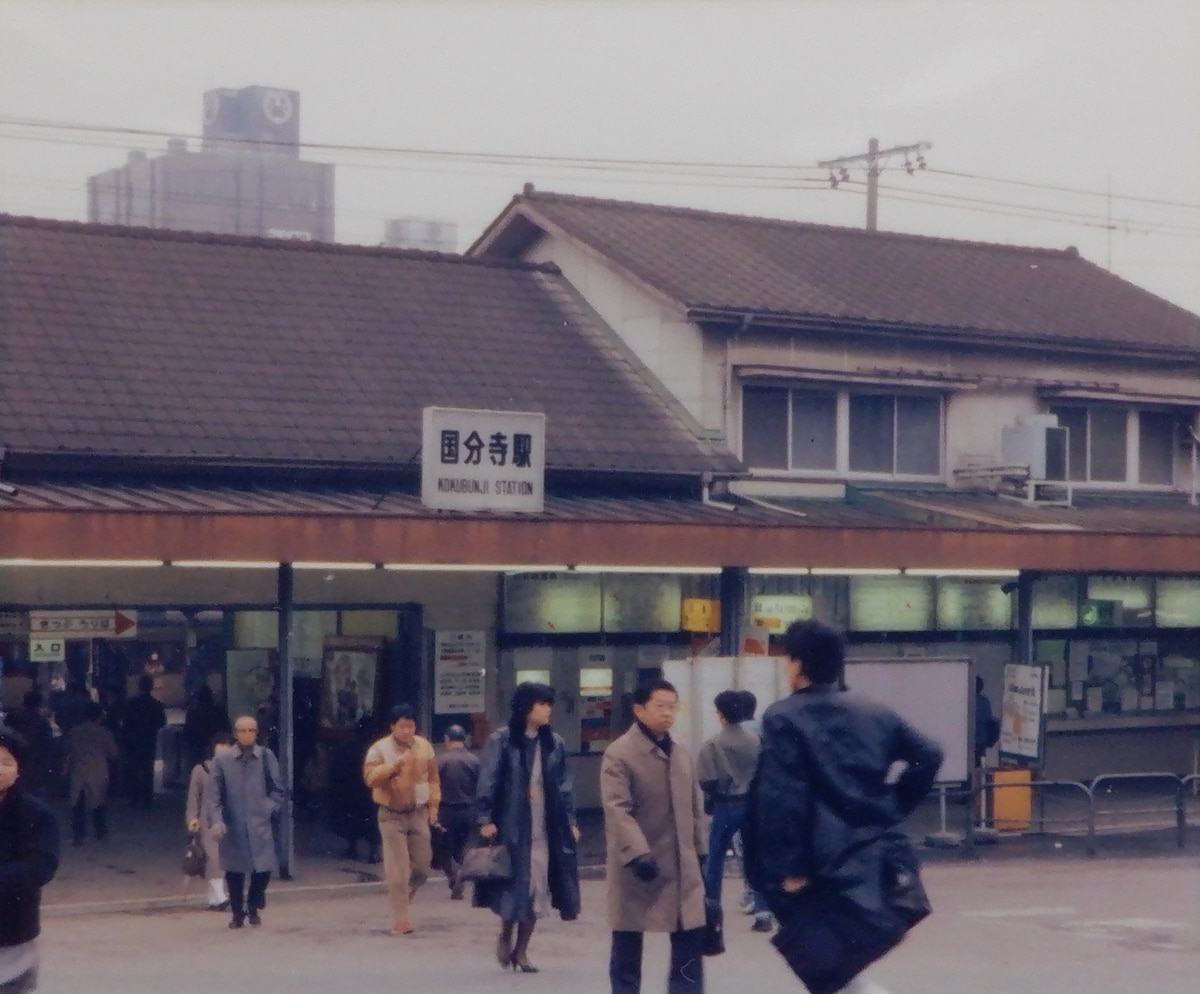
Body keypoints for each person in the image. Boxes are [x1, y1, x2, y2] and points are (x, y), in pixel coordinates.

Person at [745, 620, 943, 994]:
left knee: (825, 965)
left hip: (816, 859)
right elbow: (929, 754)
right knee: (835, 967)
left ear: (797, 665)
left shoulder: (784, 717)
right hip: (869, 854)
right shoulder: (874, 711)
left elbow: (782, 799)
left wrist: (791, 868)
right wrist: (892, 807)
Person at [600, 679, 707, 994]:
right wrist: (637, 854)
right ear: (639, 709)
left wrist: (701, 850)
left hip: (681, 863)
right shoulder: (620, 754)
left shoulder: (681, 753)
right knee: (628, 938)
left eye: (673, 706)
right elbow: (617, 809)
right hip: (638, 864)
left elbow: (695, 806)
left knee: (689, 936)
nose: (667, 713)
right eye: (660, 706)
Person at [475, 684, 581, 973]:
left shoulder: (554, 743)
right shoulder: (502, 740)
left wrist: (570, 822)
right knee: (514, 885)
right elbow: (488, 780)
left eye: (549, 704)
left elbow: (565, 787)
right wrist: (485, 818)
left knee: (537, 888)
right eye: (542, 704)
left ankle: (522, 950)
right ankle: (505, 934)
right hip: (512, 824)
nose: (548, 710)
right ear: (526, 707)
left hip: (546, 825)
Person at [696, 689, 772, 933]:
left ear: (720, 715)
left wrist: (714, 795)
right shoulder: (757, 741)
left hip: (726, 804)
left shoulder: (713, 744)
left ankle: (712, 911)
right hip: (753, 803)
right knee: (754, 857)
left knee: (716, 857)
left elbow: (707, 780)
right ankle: (762, 912)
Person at [363, 704, 441, 935]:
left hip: (417, 813)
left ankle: (404, 899)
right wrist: (393, 768)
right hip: (391, 815)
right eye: (402, 726)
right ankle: (401, 920)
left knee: (422, 867)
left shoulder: (424, 747)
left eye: (411, 726)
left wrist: (434, 806)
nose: (407, 731)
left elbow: (434, 779)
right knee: (398, 871)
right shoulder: (379, 749)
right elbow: (370, 778)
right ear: (392, 727)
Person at [205, 714, 284, 929]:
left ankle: (253, 905)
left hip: (259, 823)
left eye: (251, 730)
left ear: (257, 733)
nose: (247, 734)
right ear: (235, 733)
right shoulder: (222, 760)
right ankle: (237, 913)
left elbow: (278, 789)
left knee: (263, 869)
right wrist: (218, 820)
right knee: (234, 872)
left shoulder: (265, 756)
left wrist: (268, 808)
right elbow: (214, 795)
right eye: (242, 730)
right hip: (234, 823)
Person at [0, 728, 61, 992]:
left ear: (19, 770)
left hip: (13, 929)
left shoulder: (37, 814)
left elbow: (42, 866)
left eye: (6, 762)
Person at [186, 731, 236, 911]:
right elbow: (194, 797)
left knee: (218, 859)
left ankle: (213, 899)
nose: (224, 749)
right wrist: (192, 818)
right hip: (206, 821)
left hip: (229, 819)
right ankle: (221, 896)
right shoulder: (200, 769)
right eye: (221, 745)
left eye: (228, 746)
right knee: (214, 858)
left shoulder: (236, 769)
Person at [63, 701, 118, 847]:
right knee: (98, 801)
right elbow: (113, 752)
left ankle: (78, 834)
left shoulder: (74, 731)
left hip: (79, 769)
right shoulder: (104, 732)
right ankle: (100, 831)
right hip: (98, 769)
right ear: (99, 716)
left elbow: (68, 750)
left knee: (78, 802)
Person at [436, 723, 480, 899]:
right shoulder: (475, 761)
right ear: (465, 739)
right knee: (462, 848)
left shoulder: (441, 761)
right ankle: (461, 871)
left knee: (444, 848)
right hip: (468, 810)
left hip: (446, 810)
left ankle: (454, 876)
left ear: (447, 740)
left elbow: (434, 785)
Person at [327, 715, 380, 863]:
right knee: (372, 822)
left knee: (352, 821)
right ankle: (372, 852)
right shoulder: (376, 750)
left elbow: (335, 770)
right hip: (369, 792)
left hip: (351, 791)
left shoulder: (347, 747)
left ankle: (353, 848)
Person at [120, 674, 165, 809]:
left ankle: (134, 796)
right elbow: (162, 722)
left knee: (134, 768)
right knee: (148, 768)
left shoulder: (131, 704)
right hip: (149, 739)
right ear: (151, 687)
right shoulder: (157, 705)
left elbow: (125, 722)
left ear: (139, 686)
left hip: (133, 740)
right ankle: (147, 797)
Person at [2, 693, 54, 799]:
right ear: (39, 705)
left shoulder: (13, 716)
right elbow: (48, 743)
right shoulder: (42, 722)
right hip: (34, 759)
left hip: (15, 756)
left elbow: (5, 732)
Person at [182, 684, 229, 772]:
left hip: (198, 747)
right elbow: (226, 728)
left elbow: (187, 734)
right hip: (214, 745)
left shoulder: (193, 712)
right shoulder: (219, 711)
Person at [974, 676, 1000, 768]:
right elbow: (988, 719)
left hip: (971, 741)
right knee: (979, 765)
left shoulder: (967, 701)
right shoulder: (985, 701)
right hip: (982, 740)